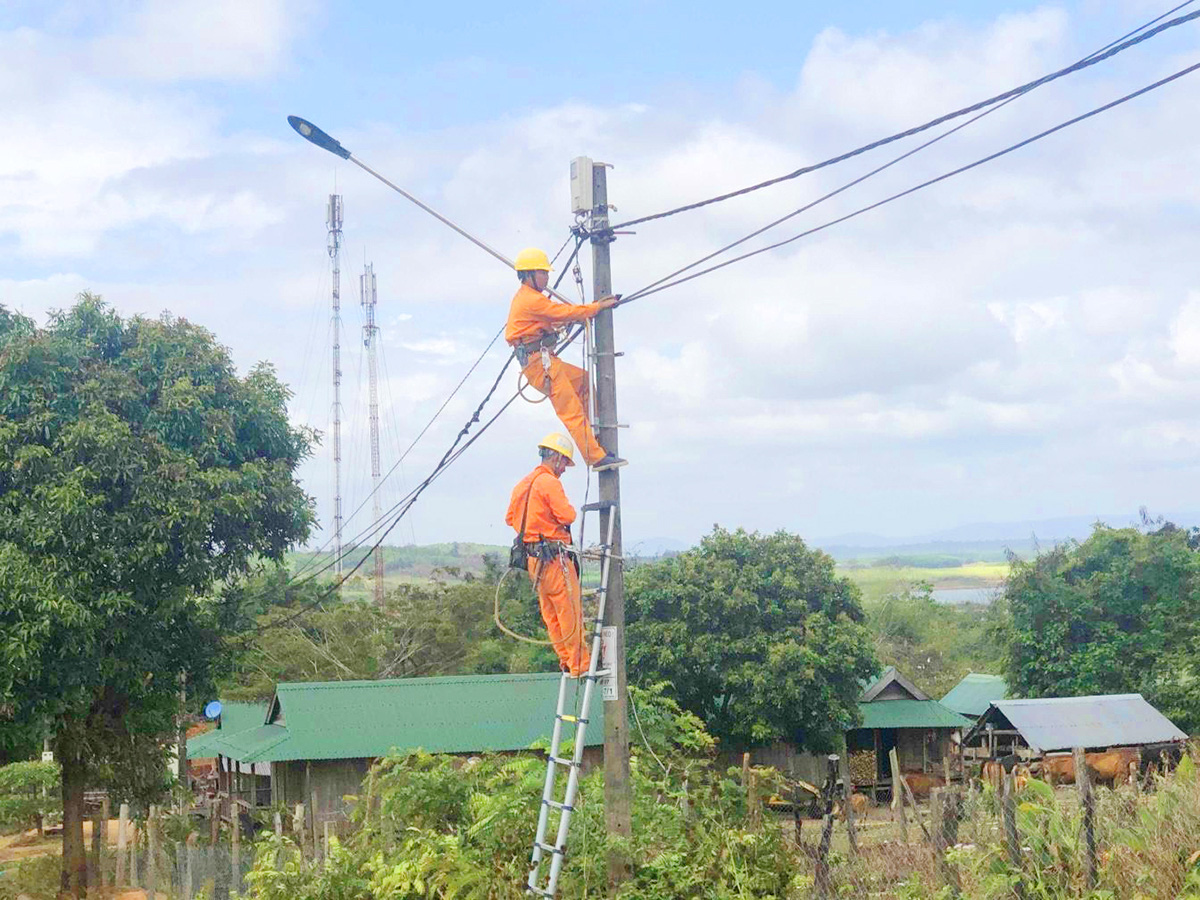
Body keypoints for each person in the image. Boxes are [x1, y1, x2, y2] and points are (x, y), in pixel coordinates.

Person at [506, 247, 626, 471]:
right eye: (543, 273)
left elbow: (554, 318)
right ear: (529, 274)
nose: (547, 277)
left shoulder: (532, 299)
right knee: (571, 410)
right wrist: (597, 307)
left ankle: (595, 435)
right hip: (540, 366)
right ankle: (596, 457)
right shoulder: (530, 300)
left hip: (545, 361)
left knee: (584, 381)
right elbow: (563, 312)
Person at [505, 433, 600, 677]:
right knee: (568, 612)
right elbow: (567, 515)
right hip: (555, 560)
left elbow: (510, 519)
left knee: (551, 614)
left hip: (534, 562)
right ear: (556, 457)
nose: (564, 470)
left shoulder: (522, 484)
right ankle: (580, 664)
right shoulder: (549, 483)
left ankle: (567, 660)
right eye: (564, 464)